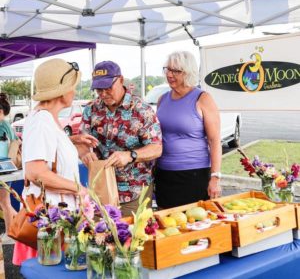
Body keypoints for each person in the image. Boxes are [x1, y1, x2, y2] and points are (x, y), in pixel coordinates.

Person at [13, 58, 98, 265]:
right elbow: (36, 172)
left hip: (54, 219)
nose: (75, 92)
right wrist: (79, 189)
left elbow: (48, 153)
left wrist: (72, 142)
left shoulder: (47, 118)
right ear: (62, 90)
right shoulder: (42, 121)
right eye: (73, 86)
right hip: (50, 221)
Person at [79, 60, 162, 216]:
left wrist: (130, 155)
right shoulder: (91, 109)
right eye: (98, 90)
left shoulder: (142, 110)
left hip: (133, 192)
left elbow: (157, 148)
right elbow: (81, 141)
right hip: (100, 189)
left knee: (132, 237)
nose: (103, 94)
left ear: (121, 80)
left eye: (108, 88)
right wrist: (84, 152)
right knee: (99, 237)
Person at [154, 51, 222, 209]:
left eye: (176, 71)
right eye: (167, 69)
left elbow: (214, 141)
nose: (170, 75)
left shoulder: (203, 99)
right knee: (167, 223)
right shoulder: (162, 99)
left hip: (193, 174)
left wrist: (215, 177)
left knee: (194, 223)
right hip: (164, 173)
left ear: (188, 72)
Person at [0, 93, 18, 244]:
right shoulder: (5, 125)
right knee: (4, 202)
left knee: (4, 202)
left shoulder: (3, 125)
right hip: (5, 168)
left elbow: (14, 143)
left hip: (4, 169)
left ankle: (10, 233)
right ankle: (22, 222)